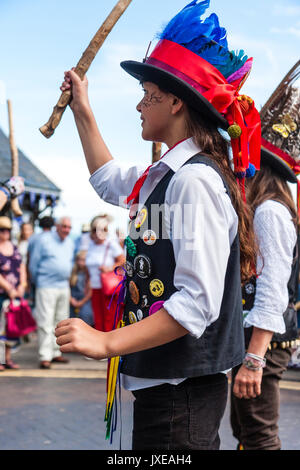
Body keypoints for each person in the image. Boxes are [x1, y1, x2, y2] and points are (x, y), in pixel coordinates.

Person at [55, 0, 261, 449]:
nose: (139, 105)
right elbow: (110, 181)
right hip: (169, 392)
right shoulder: (167, 175)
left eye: (147, 93)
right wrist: (82, 109)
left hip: (180, 397)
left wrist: (106, 342)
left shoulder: (195, 181)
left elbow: (197, 305)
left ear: (174, 101)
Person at [231, 65, 300, 450]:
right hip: (256, 340)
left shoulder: (270, 212)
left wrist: (254, 359)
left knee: (258, 435)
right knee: (246, 432)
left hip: (265, 345)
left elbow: (273, 286)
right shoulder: (262, 209)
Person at [29, 216, 74, 369]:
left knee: (61, 321)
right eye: (64, 226)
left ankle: (56, 353)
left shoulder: (69, 242)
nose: (66, 230)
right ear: (57, 226)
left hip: (63, 286)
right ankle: (45, 356)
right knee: (45, 322)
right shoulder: (44, 240)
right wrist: (37, 281)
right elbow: (33, 264)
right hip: (46, 285)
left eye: (69, 227)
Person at [85, 215, 125, 332]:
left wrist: (109, 268)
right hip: (95, 287)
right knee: (98, 318)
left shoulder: (110, 244)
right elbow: (89, 267)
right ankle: (101, 348)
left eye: (104, 229)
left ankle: (111, 348)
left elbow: (123, 260)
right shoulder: (91, 246)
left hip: (108, 288)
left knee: (110, 319)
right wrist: (86, 283)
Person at [0, 216, 27, 370]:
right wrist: (8, 288)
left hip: (15, 293)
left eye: (7, 230)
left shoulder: (14, 247)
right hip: (3, 293)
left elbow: (21, 266)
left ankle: (8, 358)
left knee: (11, 327)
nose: (5, 233)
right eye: (2, 230)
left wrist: (22, 285)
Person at [70, 250, 93, 326]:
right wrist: (71, 299)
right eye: (79, 260)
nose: (80, 262)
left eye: (83, 260)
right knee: (70, 316)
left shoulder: (89, 274)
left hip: (85, 299)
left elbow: (90, 292)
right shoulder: (73, 272)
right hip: (73, 298)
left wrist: (81, 302)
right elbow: (68, 287)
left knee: (86, 315)